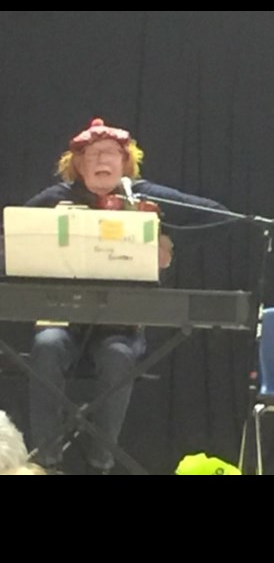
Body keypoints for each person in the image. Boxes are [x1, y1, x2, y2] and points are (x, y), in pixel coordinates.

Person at [26, 118, 227, 475]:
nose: (101, 160)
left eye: (110, 153)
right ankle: (47, 462)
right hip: (63, 319)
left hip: (119, 323)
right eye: (92, 154)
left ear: (125, 163)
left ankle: (99, 464)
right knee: (46, 346)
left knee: (118, 356)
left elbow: (219, 217)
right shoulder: (55, 200)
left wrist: (168, 243)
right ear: (77, 165)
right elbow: (8, 236)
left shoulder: (144, 197)